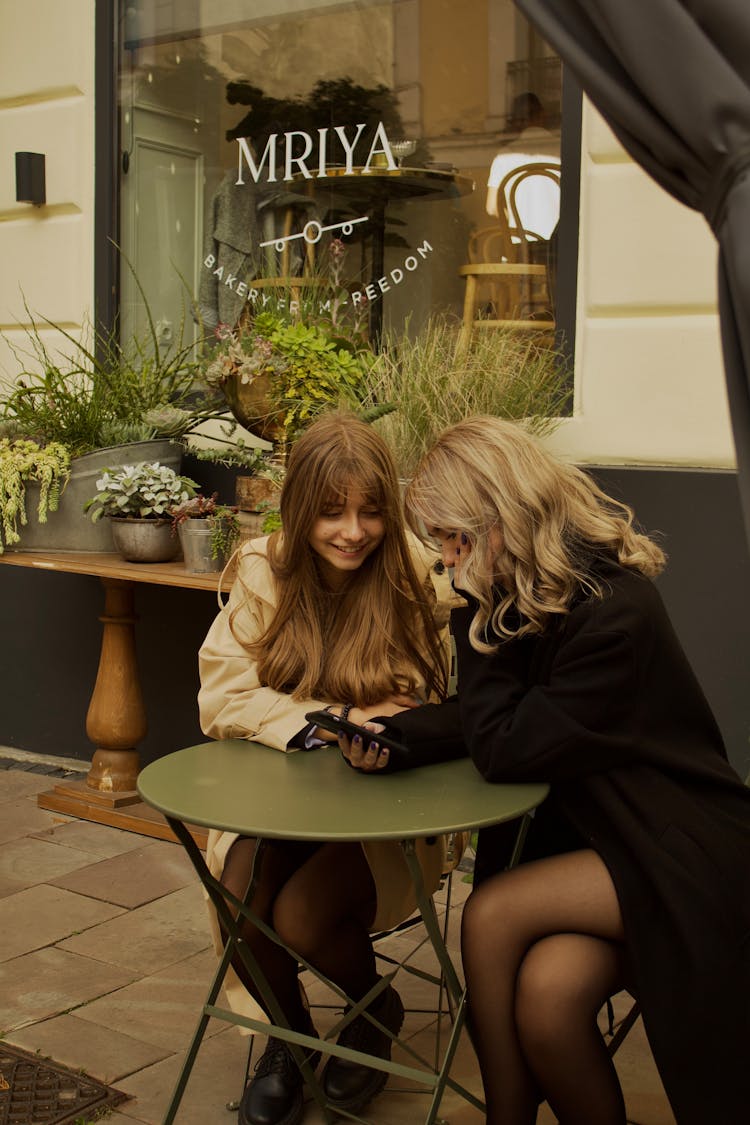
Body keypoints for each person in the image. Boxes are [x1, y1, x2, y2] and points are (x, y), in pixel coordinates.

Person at [338, 416, 750, 1125]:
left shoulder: (613, 612)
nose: (443, 560)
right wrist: (392, 734)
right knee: (548, 997)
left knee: (493, 914)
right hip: (607, 837)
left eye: (451, 538)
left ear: (497, 521)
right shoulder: (547, 594)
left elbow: (503, 744)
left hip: (683, 851)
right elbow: (501, 717)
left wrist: (477, 606)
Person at [197, 411, 453, 1125]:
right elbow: (222, 695)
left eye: (371, 511)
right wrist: (324, 718)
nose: (353, 531)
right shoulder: (263, 568)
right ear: (300, 507)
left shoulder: (414, 577)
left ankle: (375, 1009)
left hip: (382, 811)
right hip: (282, 798)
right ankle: (292, 1042)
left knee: (303, 917)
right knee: (241, 901)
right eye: (331, 512)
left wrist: (326, 707)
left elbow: (417, 705)